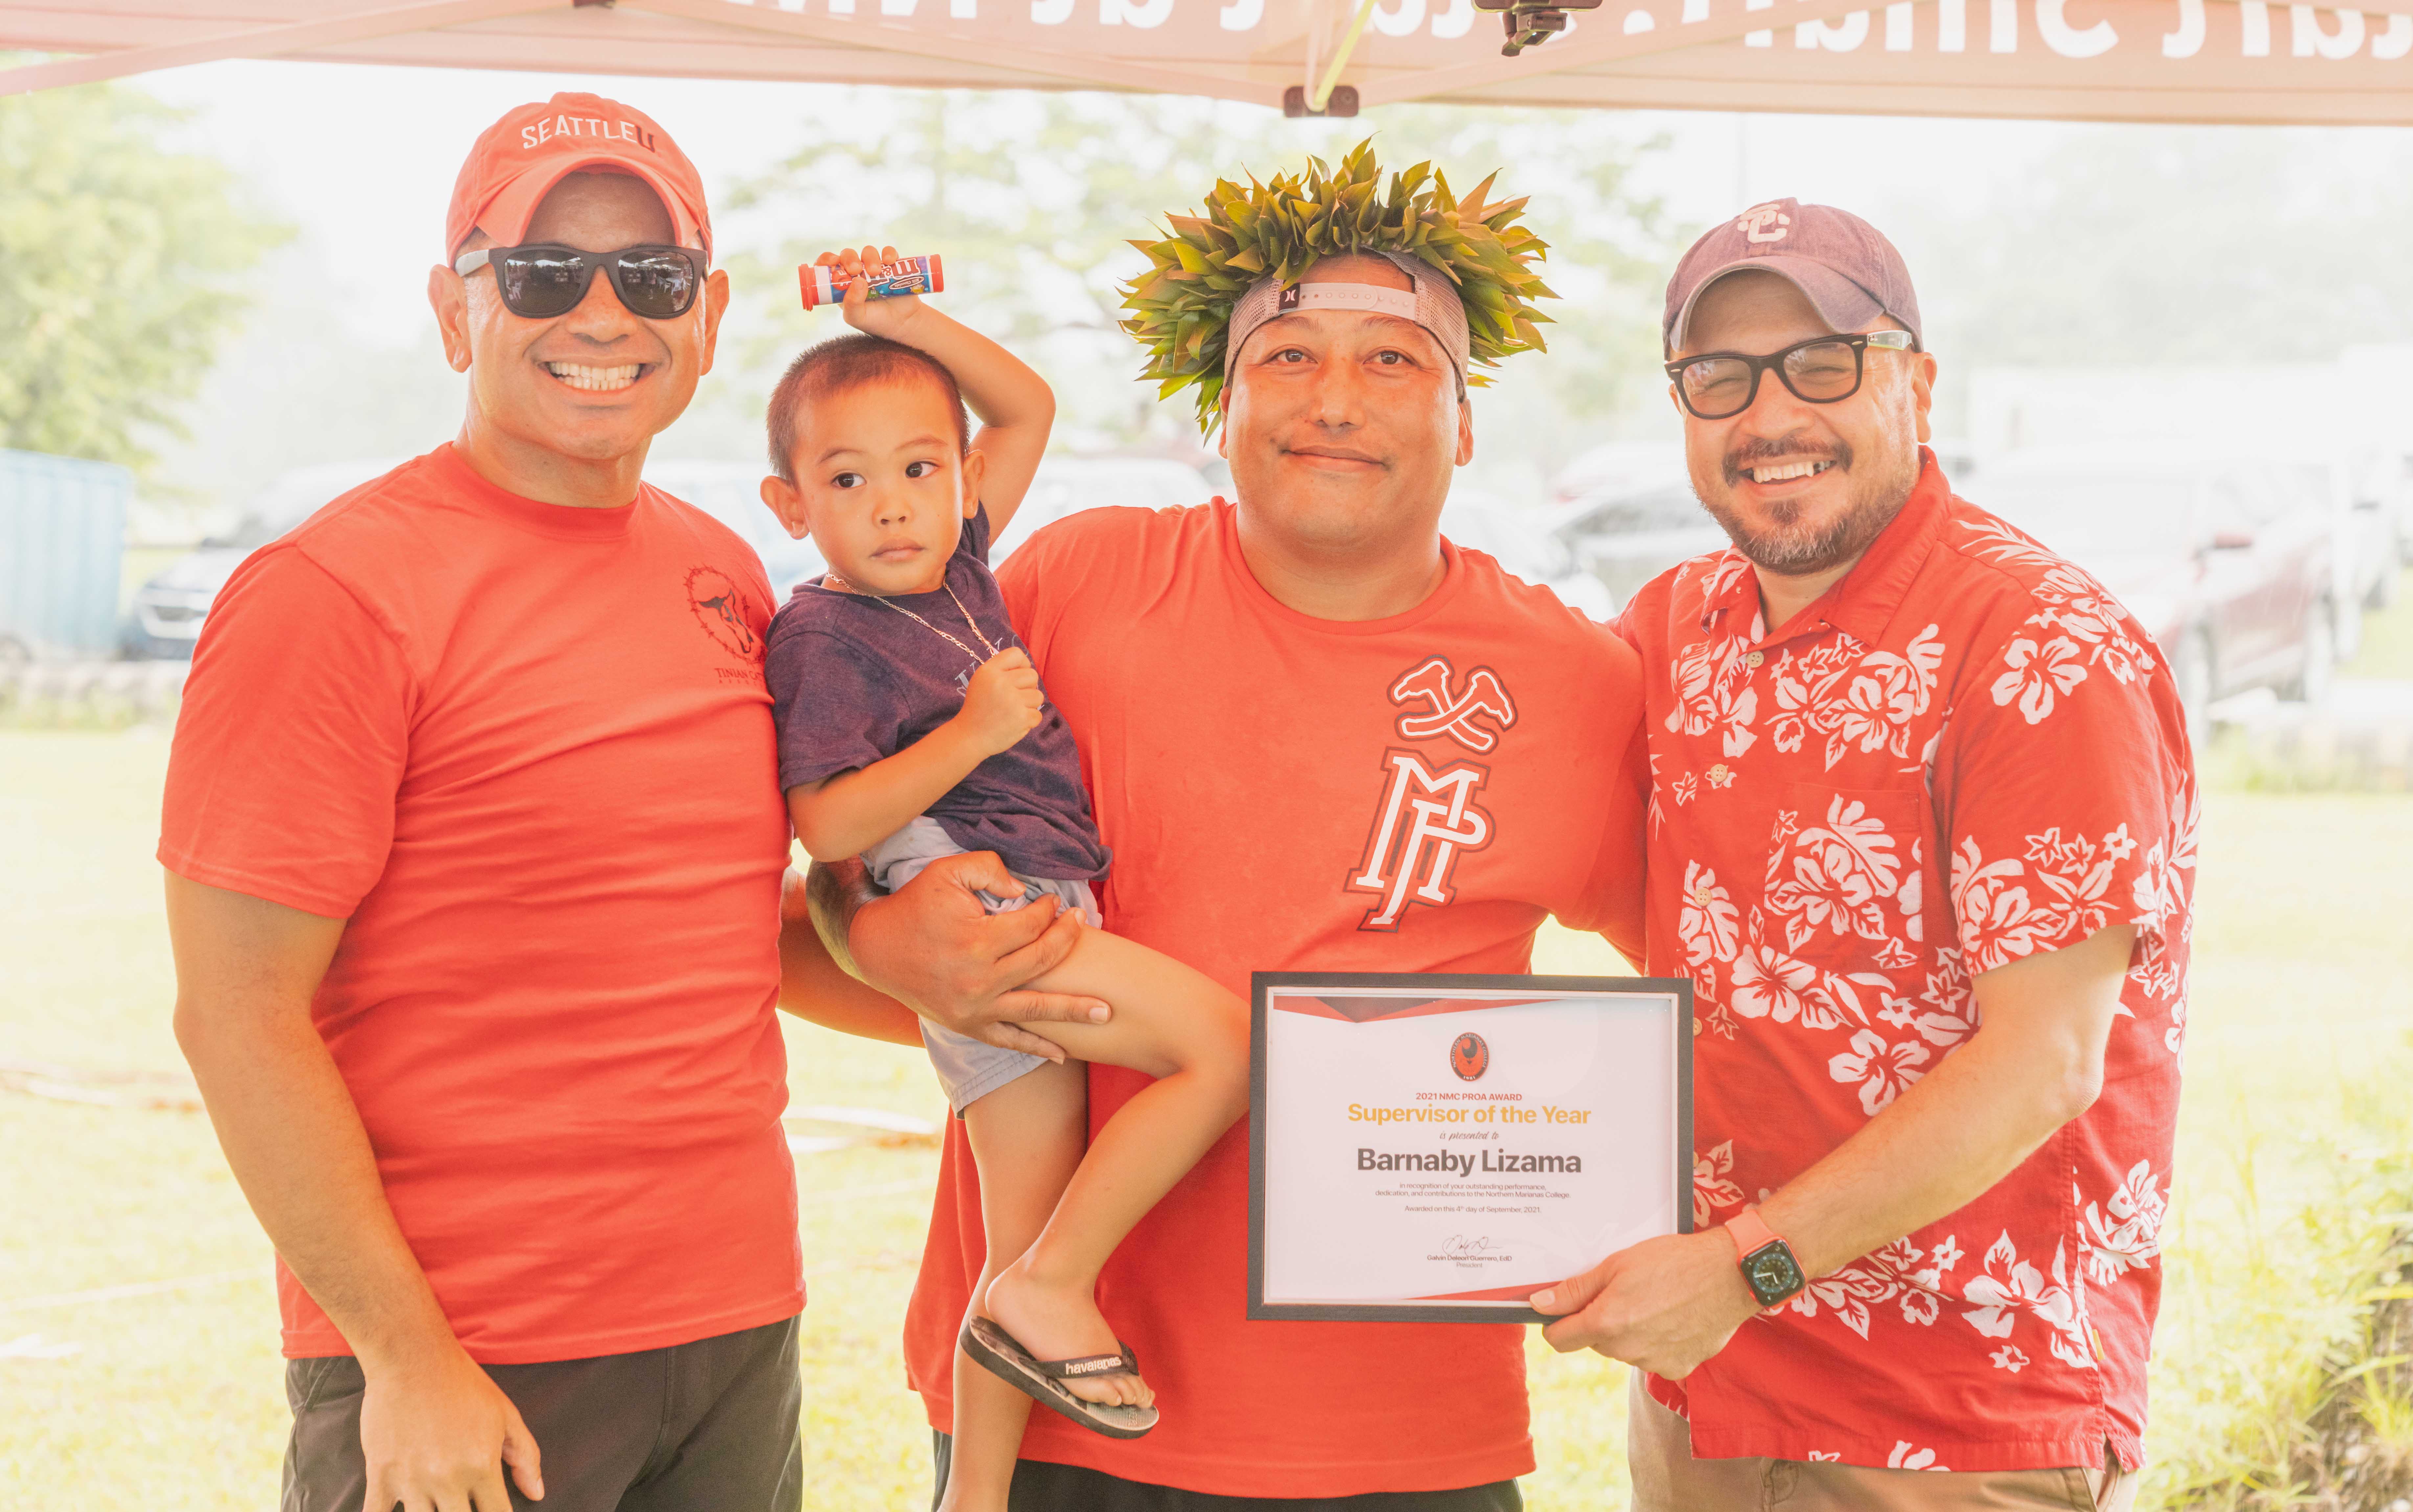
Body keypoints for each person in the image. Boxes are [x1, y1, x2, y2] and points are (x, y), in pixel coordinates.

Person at [156, 95, 1052, 1512]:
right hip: (476, 1358)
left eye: (649, 277)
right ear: (458, 309)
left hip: (735, 1331)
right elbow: (235, 1011)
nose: (601, 313)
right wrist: (405, 1355)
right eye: (540, 271)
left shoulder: (729, 576)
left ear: (706, 317)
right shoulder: (330, 593)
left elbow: (709, 922)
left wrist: (932, 966)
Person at [782, 145, 1650, 1510]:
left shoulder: (1584, 682)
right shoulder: (1066, 588)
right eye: (1290, 357)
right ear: (1222, 403)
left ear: (1469, 417)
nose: (1337, 402)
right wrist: (891, 938)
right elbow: (808, 912)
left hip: (1405, 1431)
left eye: (1396, 361)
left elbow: (1715, 993)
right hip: (1060, 1417)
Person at [1530, 200, 2194, 1511]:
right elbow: (1495, 785)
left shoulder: (2039, 647)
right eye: (1718, 377)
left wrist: (1738, 1267)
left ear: (1919, 384)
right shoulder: (1679, 625)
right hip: (1711, 1390)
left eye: (1821, 361)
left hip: (1954, 1417)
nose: (1769, 415)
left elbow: (2043, 1062)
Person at [758, 244, 1251, 1469]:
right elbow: (827, 826)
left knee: (1015, 1237)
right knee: (1227, 1046)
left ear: (959, 478)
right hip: (985, 903)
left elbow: (1027, 405)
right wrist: (980, 729)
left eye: (922, 469)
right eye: (850, 478)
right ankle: (1058, 1287)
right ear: (791, 504)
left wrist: (905, 318)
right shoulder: (825, 632)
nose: (893, 504)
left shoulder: (961, 562)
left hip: (1029, 896)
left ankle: (977, 1490)